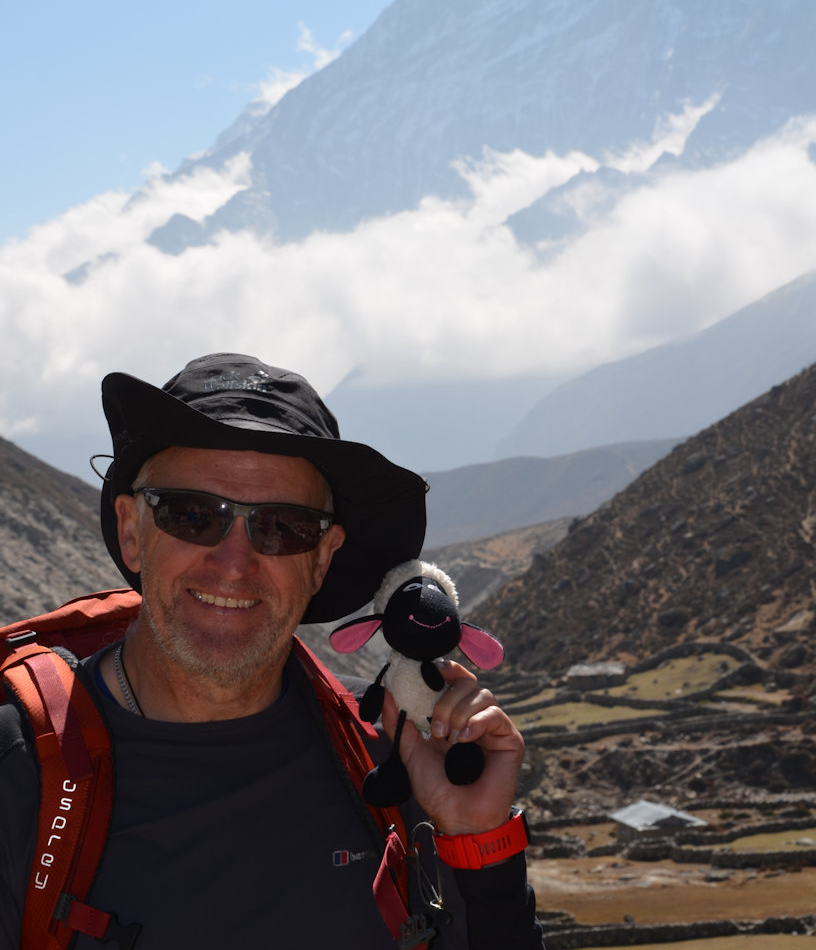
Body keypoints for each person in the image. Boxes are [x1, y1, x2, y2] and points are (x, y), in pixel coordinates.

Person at [0, 353, 542, 948]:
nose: (233, 565)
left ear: (322, 558)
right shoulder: (21, 771)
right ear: (132, 533)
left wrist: (479, 843)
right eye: (192, 515)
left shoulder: (396, 759)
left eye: (283, 527)